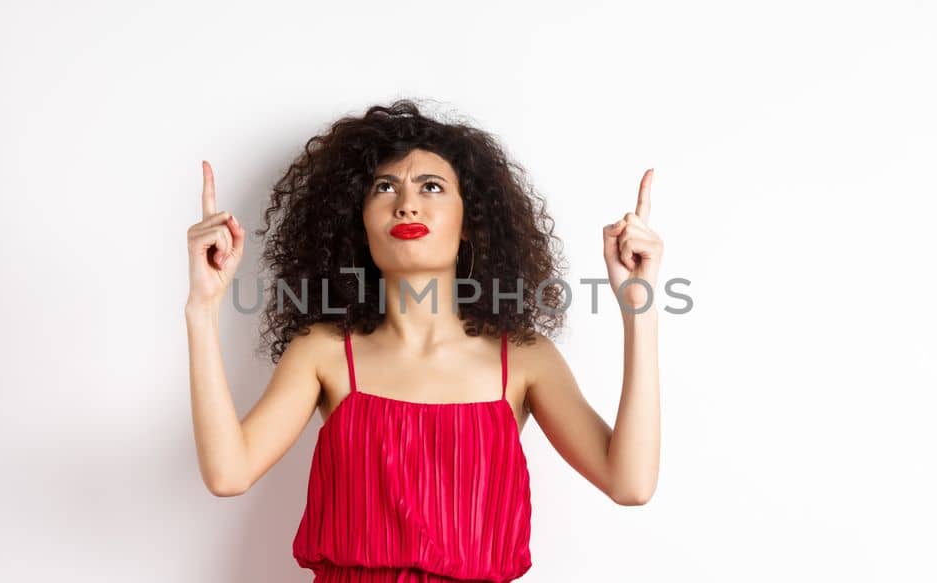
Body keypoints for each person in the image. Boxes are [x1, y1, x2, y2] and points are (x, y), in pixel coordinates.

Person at [184, 99, 662, 582]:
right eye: (384, 187)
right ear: (359, 222)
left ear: (470, 222)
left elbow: (631, 483)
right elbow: (229, 473)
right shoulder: (323, 352)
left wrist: (638, 309)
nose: (406, 203)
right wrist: (202, 309)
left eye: (431, 187)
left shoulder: (524, 359)